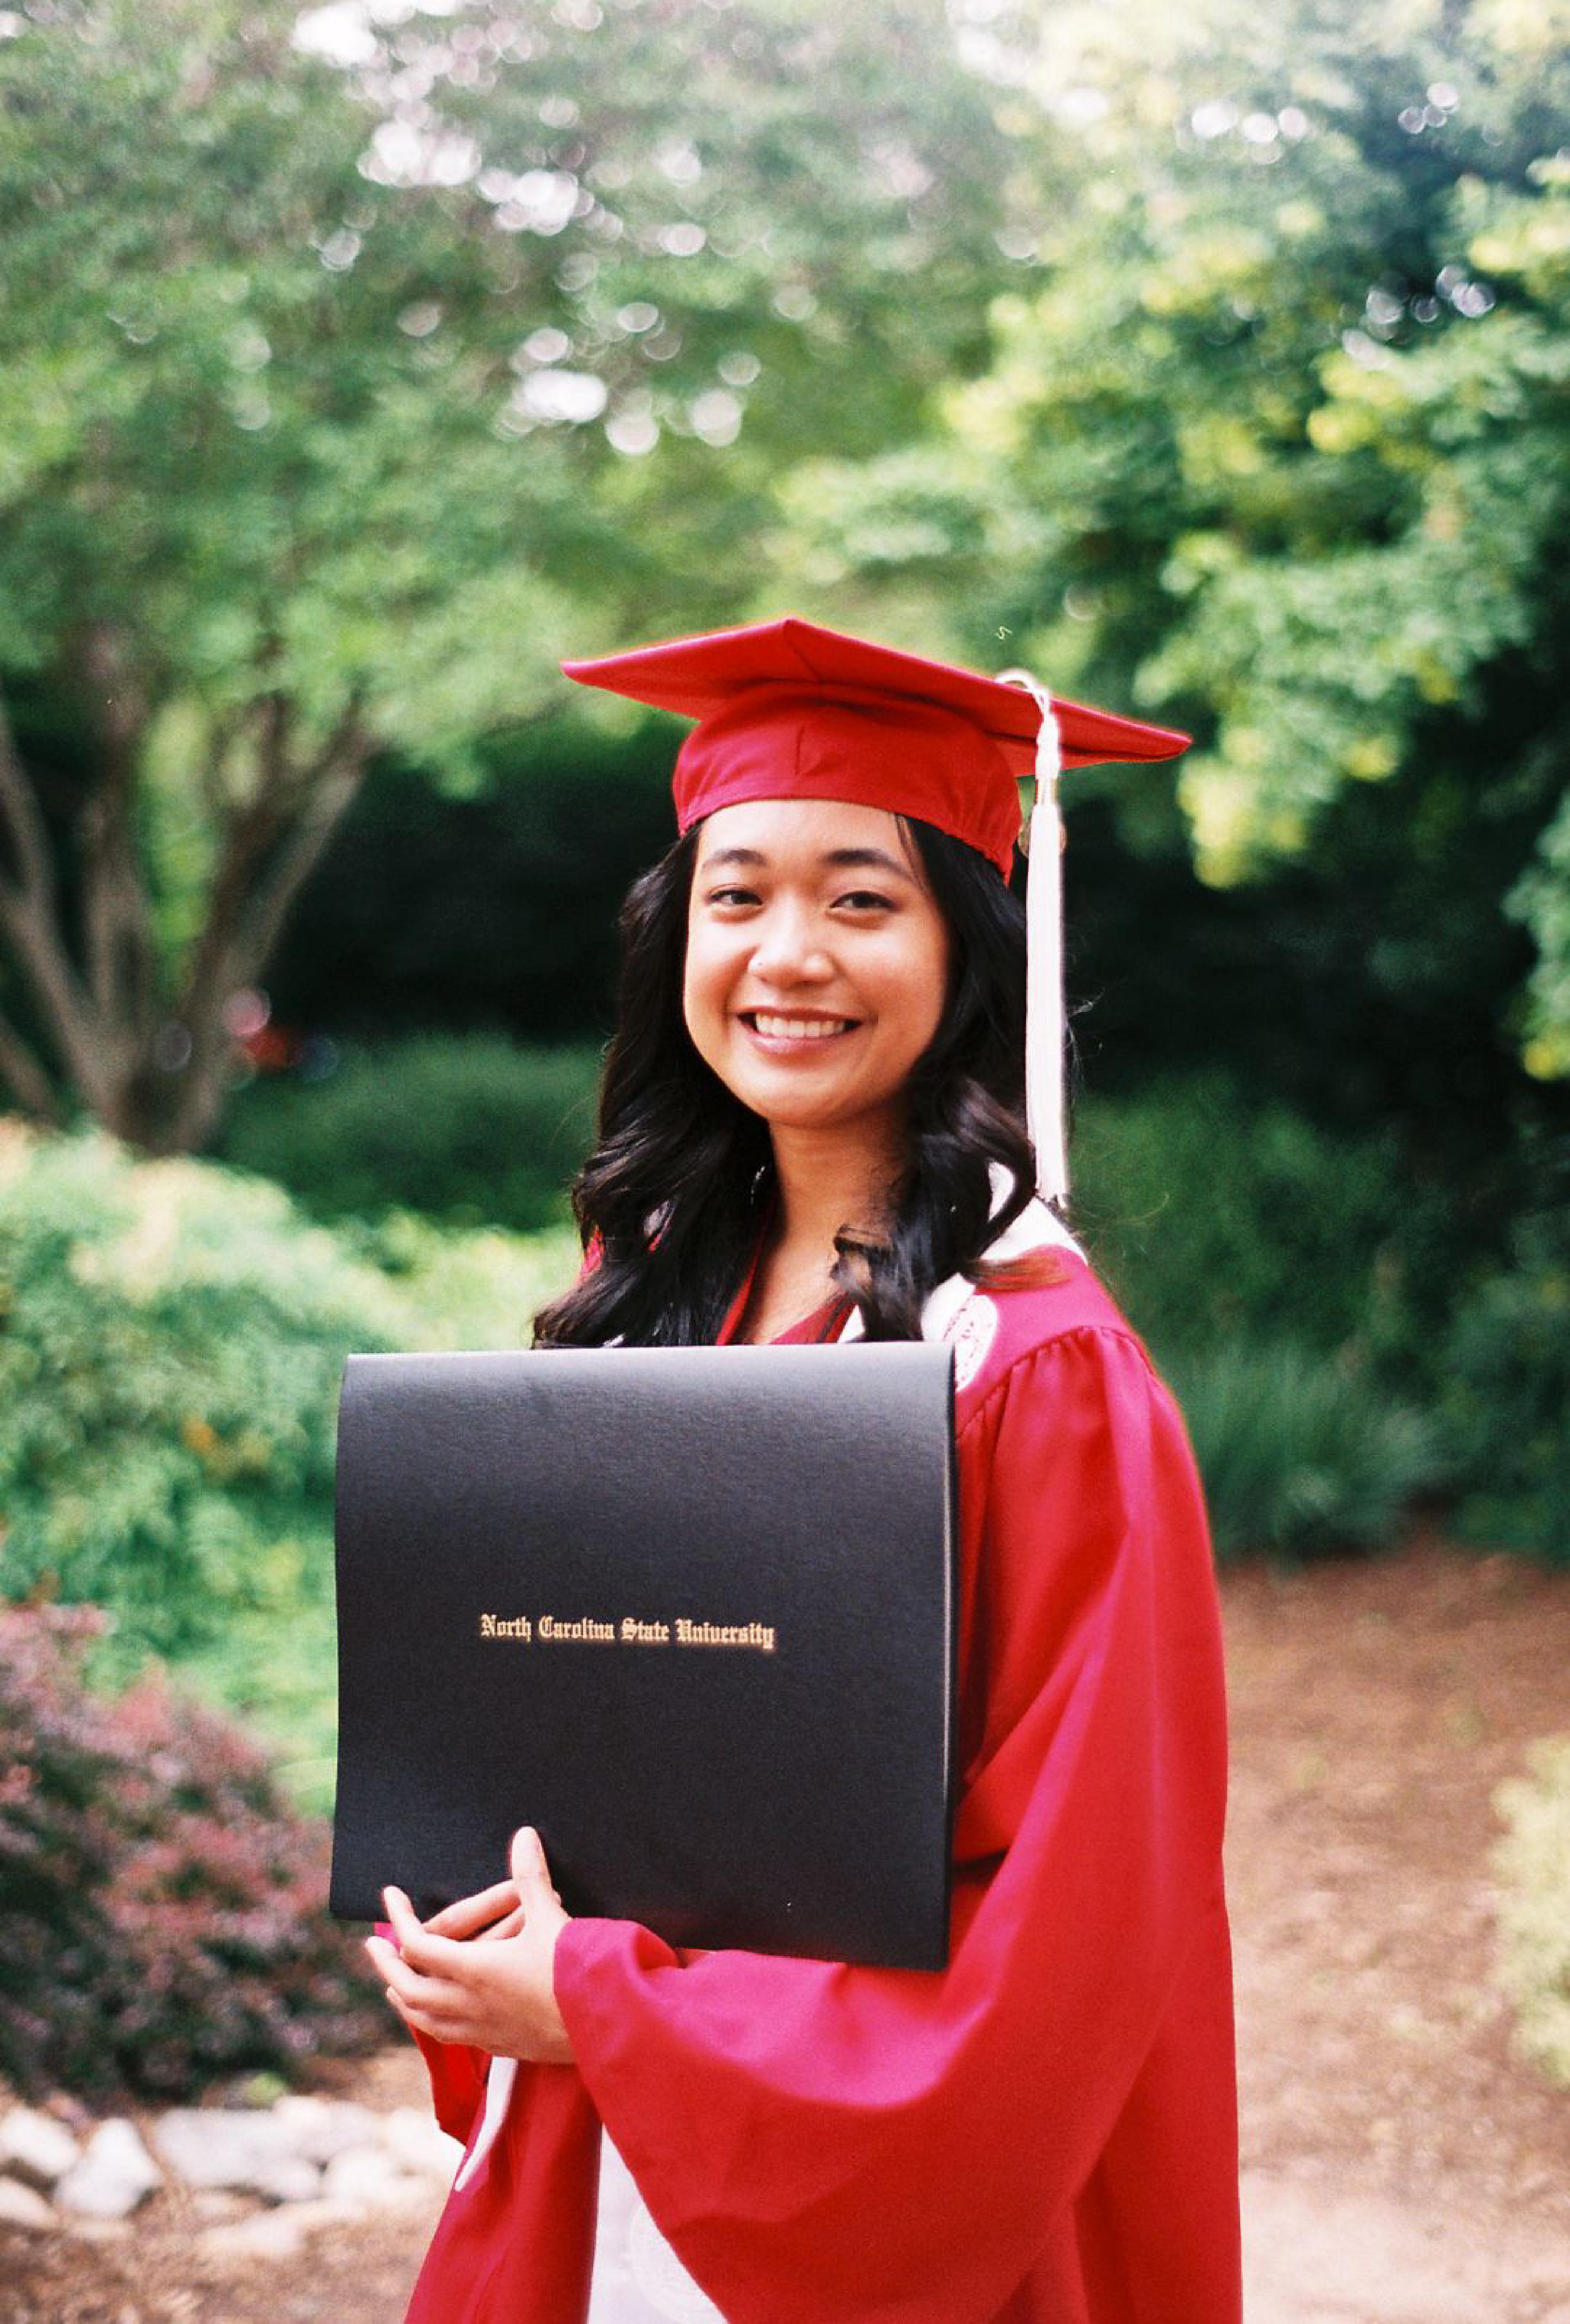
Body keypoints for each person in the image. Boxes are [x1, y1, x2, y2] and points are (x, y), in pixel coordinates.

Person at [366, 618, 1243, 2324]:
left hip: (861, 2198)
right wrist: (483, 1948)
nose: (788, 953)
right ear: (673, 936)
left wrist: (605, 2007)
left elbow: (1072, 1925)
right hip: (610, 2154)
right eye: (738, 892)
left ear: (968, 947)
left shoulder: (1033, 1367)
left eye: (862, 898)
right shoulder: (661, 1297)